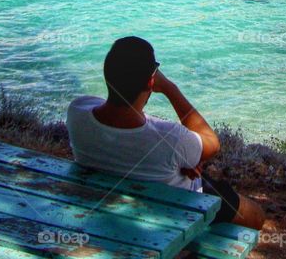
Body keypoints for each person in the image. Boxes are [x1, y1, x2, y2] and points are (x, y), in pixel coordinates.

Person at [67, 37, 265, 230]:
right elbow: (212, 143)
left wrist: (184, 157)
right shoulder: (171, 139)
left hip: (116, 198)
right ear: (151, 83)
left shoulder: (77, 112)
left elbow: (120, 119)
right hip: (181, 205)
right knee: (257, 216)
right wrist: (170, 88)